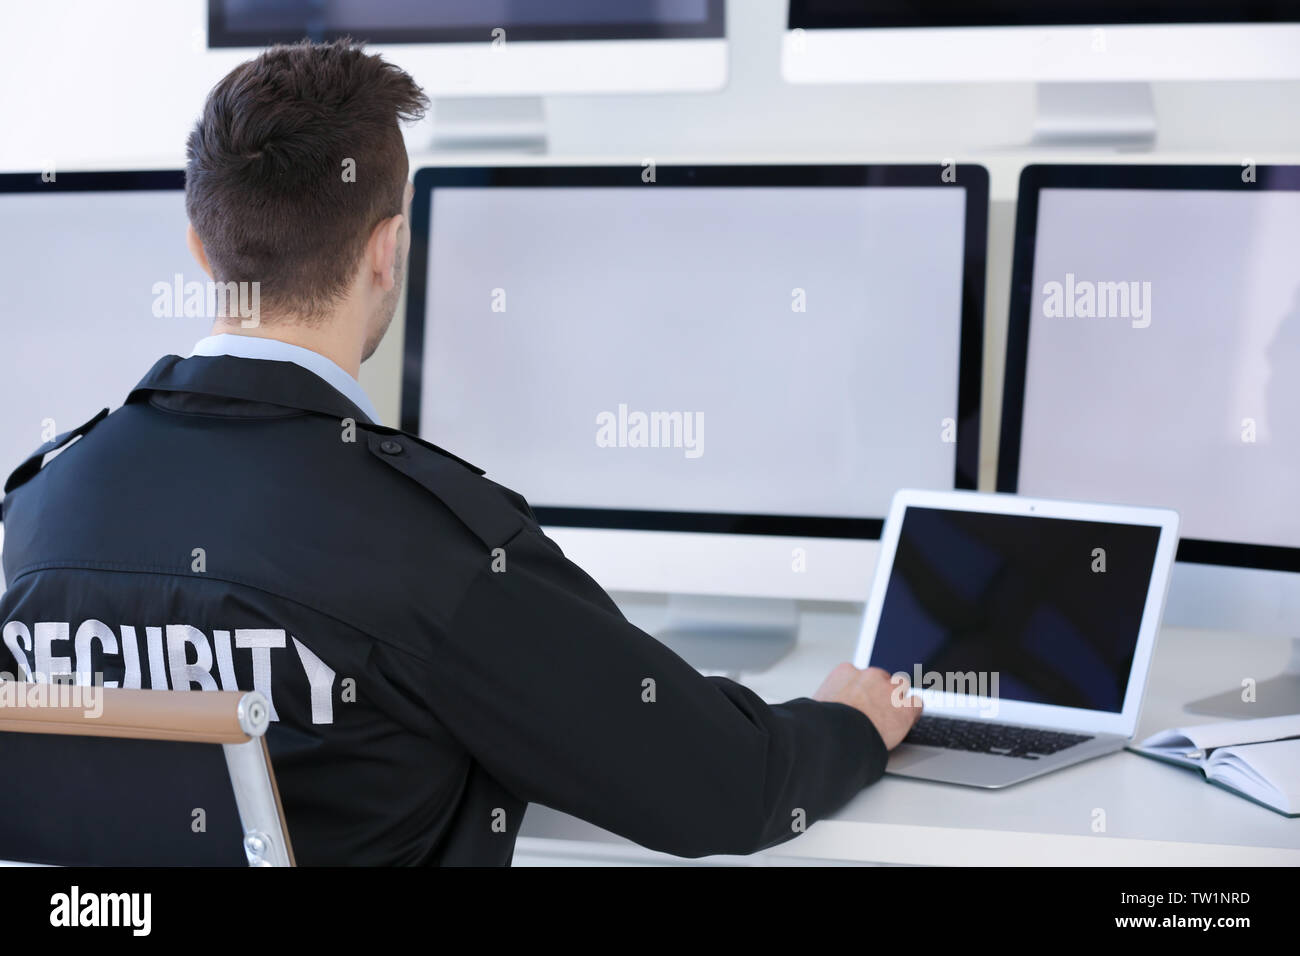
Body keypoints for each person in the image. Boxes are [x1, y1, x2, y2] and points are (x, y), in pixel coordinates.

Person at [0, 39, 919, 865]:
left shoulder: (38, 515)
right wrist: (849, 724)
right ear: (388, 251)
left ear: (200, 249)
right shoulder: (432, 547)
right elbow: (724, 790)